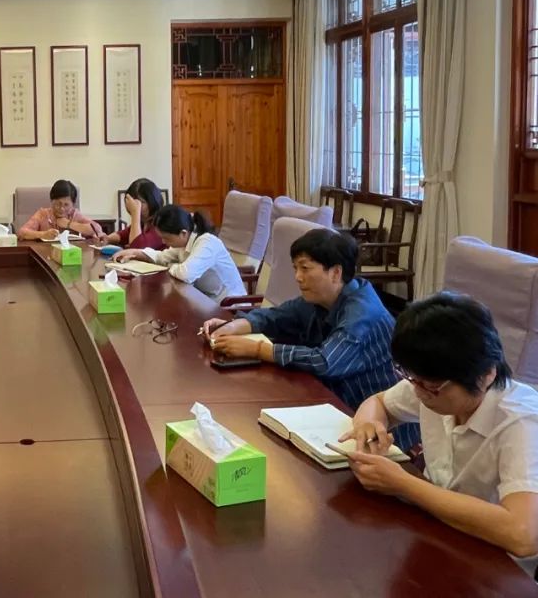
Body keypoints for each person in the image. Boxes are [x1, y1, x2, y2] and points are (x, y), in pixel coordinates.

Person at [340, 292, 538, 571]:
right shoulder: (432, 385)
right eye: (412, 378)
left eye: (431, 386)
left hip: (495, 564)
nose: (419, 393)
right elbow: (378, 403)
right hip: (439, 532)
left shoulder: (522, 422)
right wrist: (369, 425)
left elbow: (523, 536)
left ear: (486, 375)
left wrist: (404, 484)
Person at [202, 228, 415, 446]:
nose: (297, 277)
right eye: (296, 268)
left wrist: (256, 349)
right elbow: (277, 316)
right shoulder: (322, 297)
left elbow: (324, 361)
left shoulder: (362, 314)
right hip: (333, 407)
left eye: (305, 268)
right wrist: (234, 325)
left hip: (381, 432)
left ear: (336, 272)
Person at [113, 204, 244, 302]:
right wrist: (134, 253)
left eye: (167, 238)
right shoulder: (184, 242)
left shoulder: (207, 242)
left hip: (229, 306)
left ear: (183, 233)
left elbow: (186, 274)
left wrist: (171, 266)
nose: (164, 242)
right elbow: (161, 257)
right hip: (205, 299)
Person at [17, 179, 103, 241]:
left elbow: (97, 228)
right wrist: (43, 234)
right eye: (58, 204)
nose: (62, 209)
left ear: (73, 204)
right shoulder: (43, 214)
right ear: (52, 201)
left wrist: (69, 224)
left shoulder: (74, 214)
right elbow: (22, 232)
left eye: (66, 205)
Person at [102, 178, 165, 250]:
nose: (135, 206)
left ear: (152, 202)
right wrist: (107, 239)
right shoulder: (144, 222)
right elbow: (122, 235)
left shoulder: (162, 224)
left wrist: (135, 213)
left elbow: (136, 247)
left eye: (141, 202)